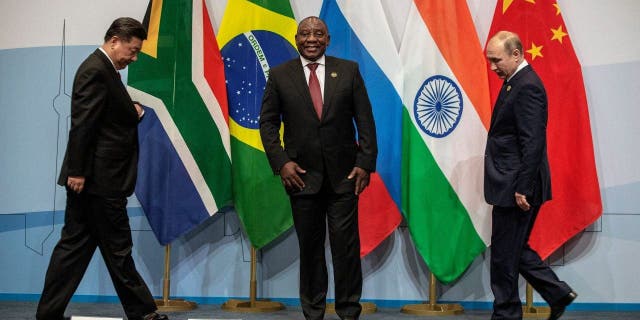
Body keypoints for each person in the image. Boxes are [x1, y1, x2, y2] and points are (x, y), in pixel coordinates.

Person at [36, 17, 168, 320]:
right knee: (118, 249)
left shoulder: (104, 70)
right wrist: (78, 171)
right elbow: (82, 125)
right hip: (98, 181)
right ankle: (145, 314)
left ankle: (48, 314)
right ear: (114, 41)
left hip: (96, 180)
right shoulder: (96, 70)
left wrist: (130, 108)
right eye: (132, 51)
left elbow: (104, 115)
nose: (133, 58)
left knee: (73, 249)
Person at [259, 16, 377, 320]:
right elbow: (268, 124)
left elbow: (365, 120)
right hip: (300, 179)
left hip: (344, 178)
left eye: (319, 34)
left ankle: (349, 311)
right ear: (297, 39)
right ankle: (313, 312)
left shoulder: (348, 71)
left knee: (346, 250)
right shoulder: (280, 74)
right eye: (306, 34)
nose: (312, 39)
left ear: (328, 40)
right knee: (310, 251)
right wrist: (282, 162)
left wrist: (365, 163)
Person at [484, 30, 577, 320]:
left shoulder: (528, 86)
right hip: (511, 181)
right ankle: (558, 293)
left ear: (517, 54)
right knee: (511, 250)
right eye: (489, 61)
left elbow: (533, 141)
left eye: (496, 60)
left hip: (517, 185)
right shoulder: (515, 82)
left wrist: (523, 187)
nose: (492, 67)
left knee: (503, 256)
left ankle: (506, 315)